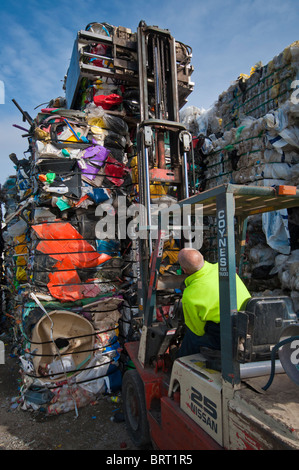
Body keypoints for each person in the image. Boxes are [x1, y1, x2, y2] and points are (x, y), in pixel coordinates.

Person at [176, 248, 251, 358]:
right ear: (203, 257)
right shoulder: (223, 270)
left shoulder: (189, 295)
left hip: (224, 335)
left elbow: (198, 330)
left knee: (191, 337)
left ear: (184, 269)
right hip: (247, 325)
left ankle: (178, 366)